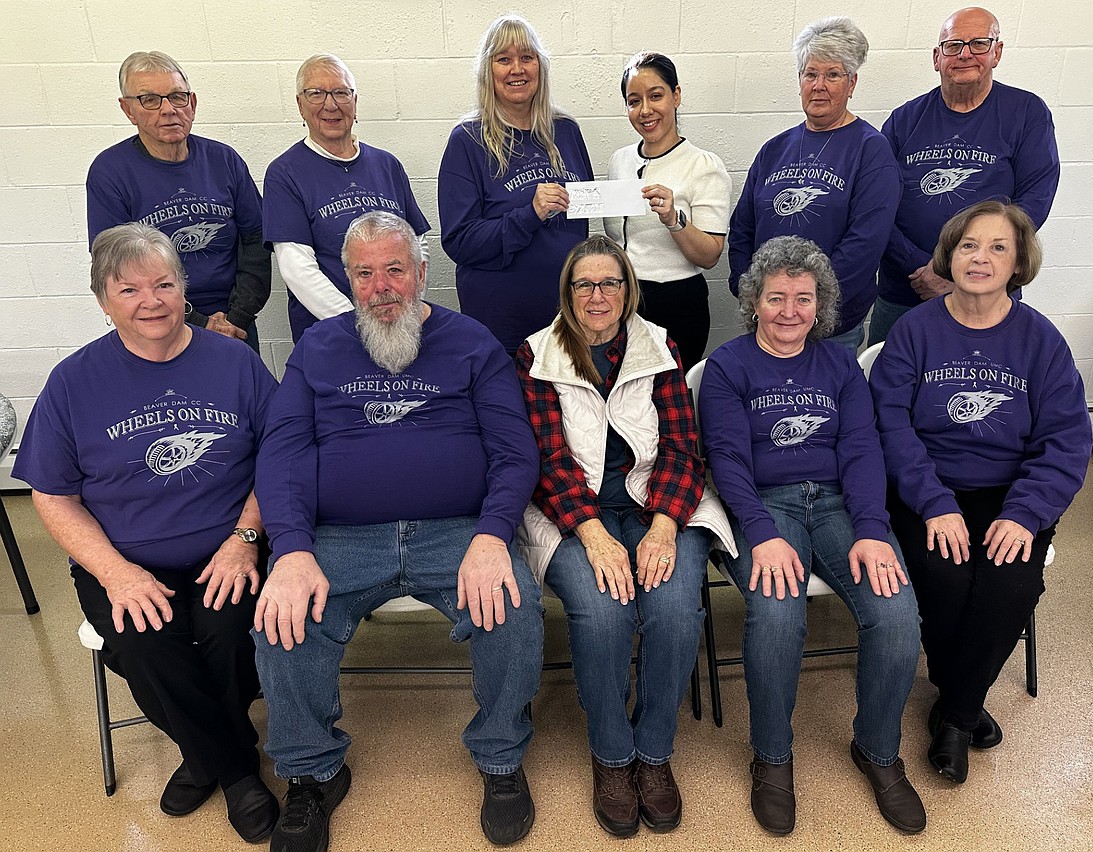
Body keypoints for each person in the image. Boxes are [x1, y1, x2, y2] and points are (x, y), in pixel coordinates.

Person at [253, 211, 544, 850]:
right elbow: (282, 454)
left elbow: (514, 451)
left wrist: (494, 536)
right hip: (341, 537)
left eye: (395, 270)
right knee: (281, 618)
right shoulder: (318, 349)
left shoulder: (473, 343)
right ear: (348, 279)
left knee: (513, 609)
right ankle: (311, 774)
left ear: (421, 272)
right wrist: (292, 550)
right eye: (365, 273)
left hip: (459, 531)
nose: (382, 287)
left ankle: (499, 757)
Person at [14, 224, 279, 842]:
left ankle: (200, 754)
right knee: (142, 639)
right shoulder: (73, 382)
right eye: (129, 289)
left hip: (229, 545)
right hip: (124, 557)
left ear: (185, 289)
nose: (150, 300)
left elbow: (281, 456)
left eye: (164, 283)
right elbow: (52, 494)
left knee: (229, 630)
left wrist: (245, 536)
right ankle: (235, 764)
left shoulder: (235, 361)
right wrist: (116, 572)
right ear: (104, 300)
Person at [699, 236, 925, 836]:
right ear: (754, 303)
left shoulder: (839, 364)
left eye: (805, 298)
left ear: (821, 304)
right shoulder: (727, 366)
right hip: (764, 507)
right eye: (777, 298)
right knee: (777, 616)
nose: (791, 311)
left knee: (898, 615)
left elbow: (860, 449)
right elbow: (726, 459)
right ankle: (772, 757)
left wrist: (873, 529)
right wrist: (759, 532)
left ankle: (877, 750)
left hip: (838, 504)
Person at [515, 235, 735, 837]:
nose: (597, 295)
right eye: (584, 284)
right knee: (602, 614)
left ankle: (655, 753)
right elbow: (545, 460)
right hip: (571, 513)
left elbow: (684, 450)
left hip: (655, 505)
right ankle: (613, 756)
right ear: (567, 292)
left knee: (672, 611)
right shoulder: (536, 355)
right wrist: (592, 535)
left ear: (628, 290)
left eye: (610, 283)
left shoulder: (658, 344)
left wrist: (664, 525)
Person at [869, 201, 1090, 784]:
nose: (980, 258)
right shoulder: (914, 331)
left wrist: (1025, 514)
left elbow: (1067, 441)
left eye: (997, 247)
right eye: (969, 245)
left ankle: (956, 711)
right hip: (927, 488)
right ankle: (964, 707)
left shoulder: (1040, 341)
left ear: (1019, 263)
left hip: (1011, 491)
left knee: (1011, 581)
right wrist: (935, 502)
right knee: (944, 575)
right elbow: (889, 426)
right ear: (950, 254)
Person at [869, 6, 1060, 345]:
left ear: (997, 52)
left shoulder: (1027, 113)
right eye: (953, 45)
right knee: (889, 389)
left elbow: (1035, 200)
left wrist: (965, 271)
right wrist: (922, 268)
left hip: (987, 292)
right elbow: (877, 205)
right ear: (936, 57)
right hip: (906, 290)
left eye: (979, 44)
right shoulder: (903, 120)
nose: (965, 54)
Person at [727, 17, 901, 353]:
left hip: (831, 328)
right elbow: (743, 227)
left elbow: (865, 243)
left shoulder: (871, 149)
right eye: (811, 74)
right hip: (767, 318)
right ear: (800, 80)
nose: (819, 85)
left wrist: (807, 307)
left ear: (851, 83)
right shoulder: (774, 149)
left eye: (832, 74)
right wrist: (749, 291)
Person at [87, 51, 270, 352]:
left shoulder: (224, 160)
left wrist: (238, 317)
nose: (169, 109)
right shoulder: (110, 173)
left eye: (177, 96)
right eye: (150, 99)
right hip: (159, 324)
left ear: (193, 103)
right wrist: (199, 322)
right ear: (128, 110)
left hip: (236, 323)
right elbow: (114, 267)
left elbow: (256, 242)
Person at [439, 14, 593, 354]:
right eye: (503, 59)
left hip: (567, 315)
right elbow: (459, 241)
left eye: (527, 57)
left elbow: (582, 217)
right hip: (500, 323)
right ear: (488, 71)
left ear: (540, 66)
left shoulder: (566, 131)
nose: (517, 69)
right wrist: (529, 214)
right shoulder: (467, 140)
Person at [263, 54, 430, 341]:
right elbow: (297, 269)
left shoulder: (387, 165)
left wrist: (403, 306)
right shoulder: (285, 173)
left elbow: (418, 246)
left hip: (398, 325)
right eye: (316, 93)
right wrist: (356, 323)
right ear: (300, 105)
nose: (331, 104)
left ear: (354, 102)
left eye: (341, 92)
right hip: (331, 332)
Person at [603, 52, 731, 371]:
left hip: (677, 304)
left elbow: (709, 256)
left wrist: (674, 220)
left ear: (676, 96)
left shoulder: (704, 166)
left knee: (669, 405)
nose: (645, 110)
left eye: (656, 96)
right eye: (634, 101)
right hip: (622, 300)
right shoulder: (619, 161)